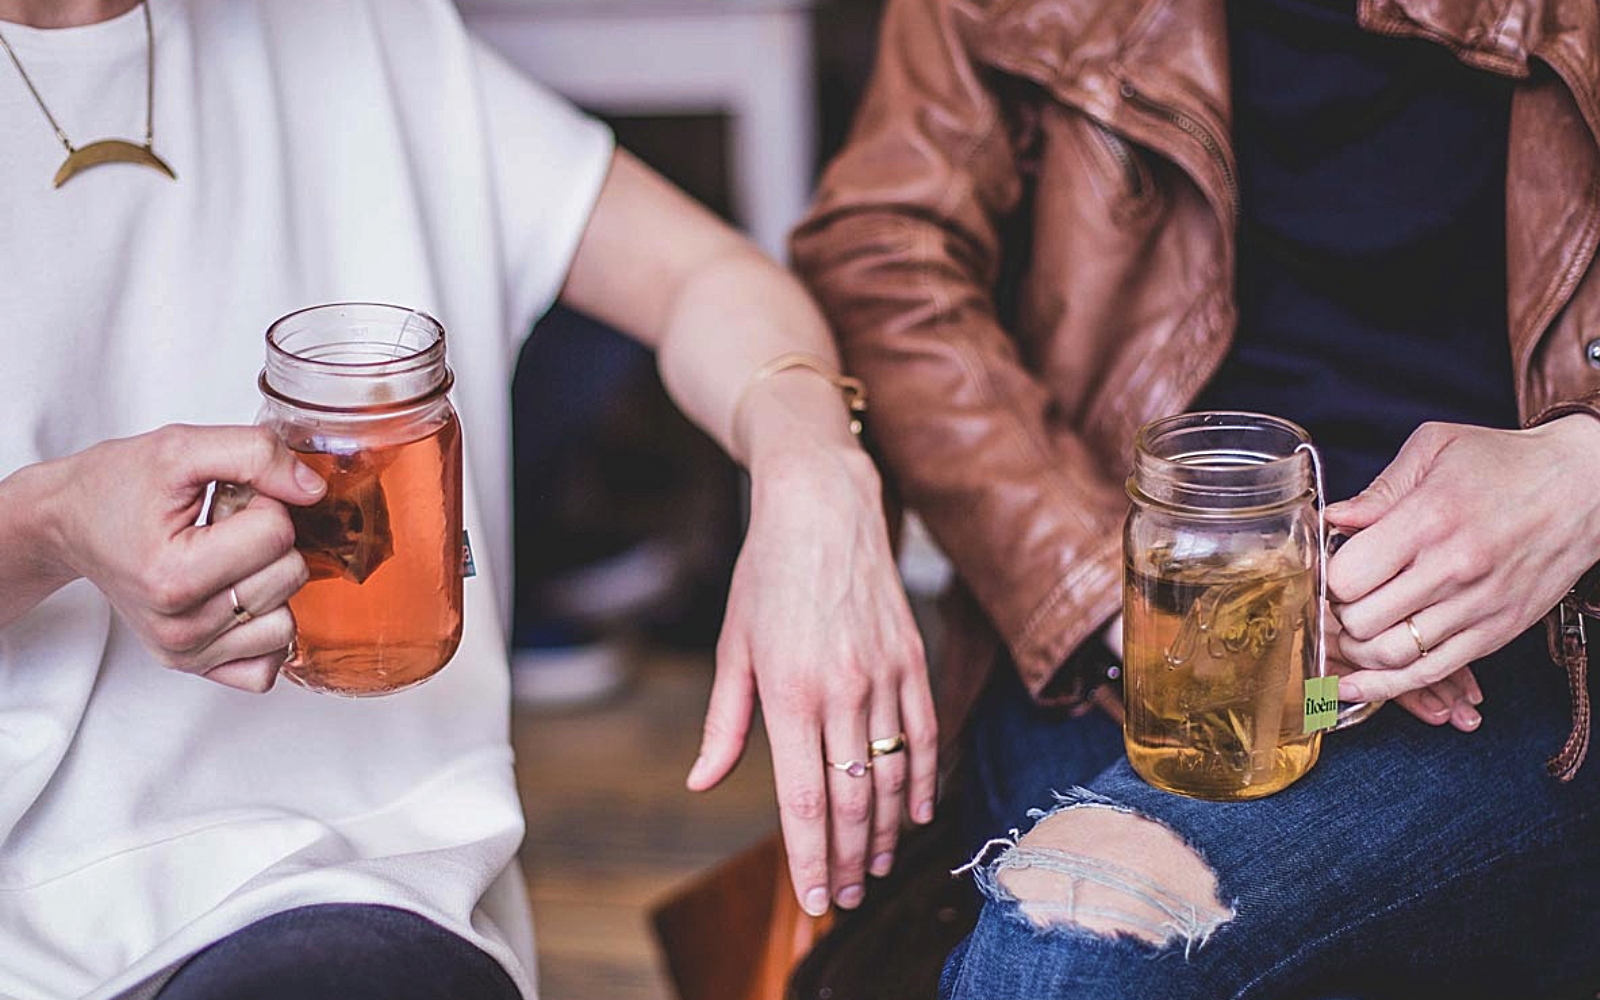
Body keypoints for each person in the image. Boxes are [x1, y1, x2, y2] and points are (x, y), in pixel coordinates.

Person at [0, 1, 936, 997]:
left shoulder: (357, 32)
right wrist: (51, 527)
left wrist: (810, 464)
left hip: (339, 899)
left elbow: (702, 275)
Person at [792, 0, 1600, 995]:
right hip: (1123, 631)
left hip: (1526, 640)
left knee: (1066, 959)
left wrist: (1582, 472)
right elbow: (885, 253)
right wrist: (1108, 583)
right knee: (1070, 938)